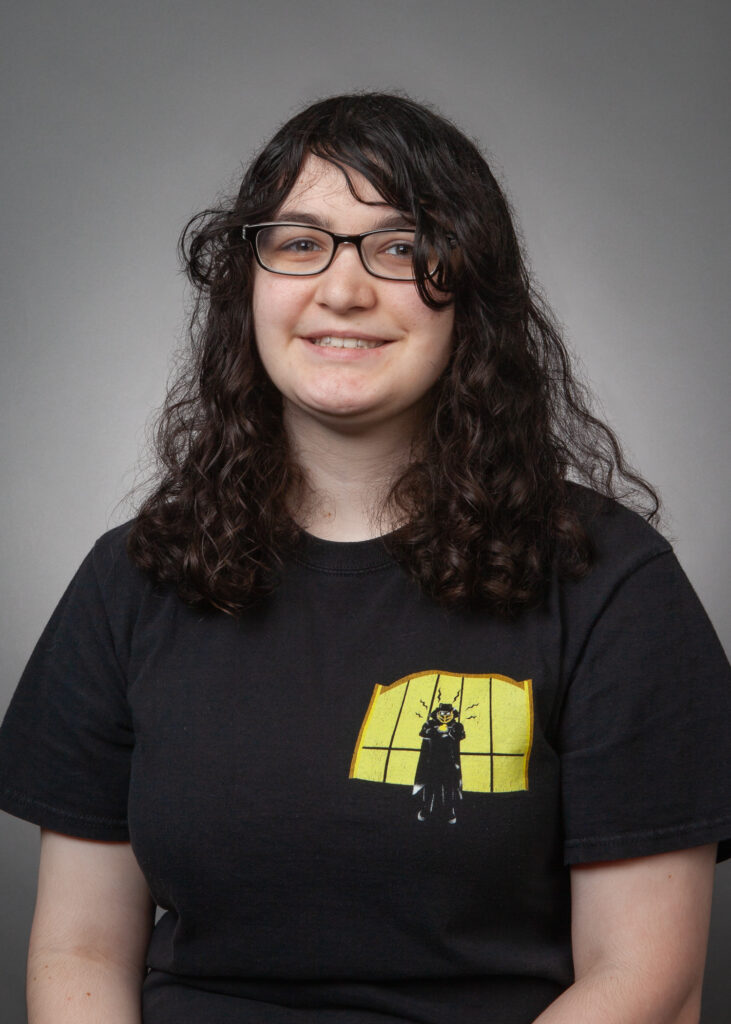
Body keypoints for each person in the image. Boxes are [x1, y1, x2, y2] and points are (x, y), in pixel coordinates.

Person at [0, 91, 729, 1024]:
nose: (341, 290)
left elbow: (646, 981)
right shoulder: (132, 577)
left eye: (397, 247)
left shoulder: (609, 583)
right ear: (248, 282)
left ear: (471, 290)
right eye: (300, 242)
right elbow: (79, 950)